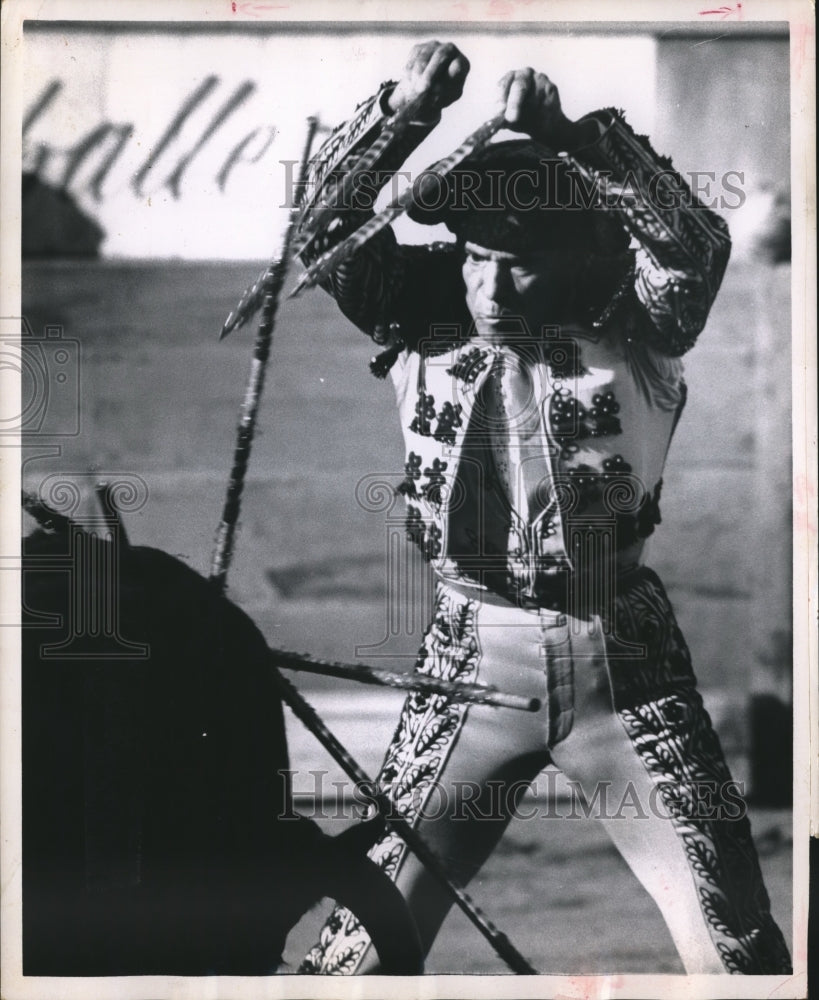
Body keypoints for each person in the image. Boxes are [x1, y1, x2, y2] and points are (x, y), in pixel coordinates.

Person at [294, 41, 792, 976]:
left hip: (624, 659)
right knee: (353, 959)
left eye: (517, 264)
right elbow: (320, 228)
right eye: (475, 257)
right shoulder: (420, 315)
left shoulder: (636, 327)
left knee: (736, 957)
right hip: (467, 657)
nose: (486, 288)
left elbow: (696, 246)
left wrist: (577, 138)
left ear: (575, 259)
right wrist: (406, 111)